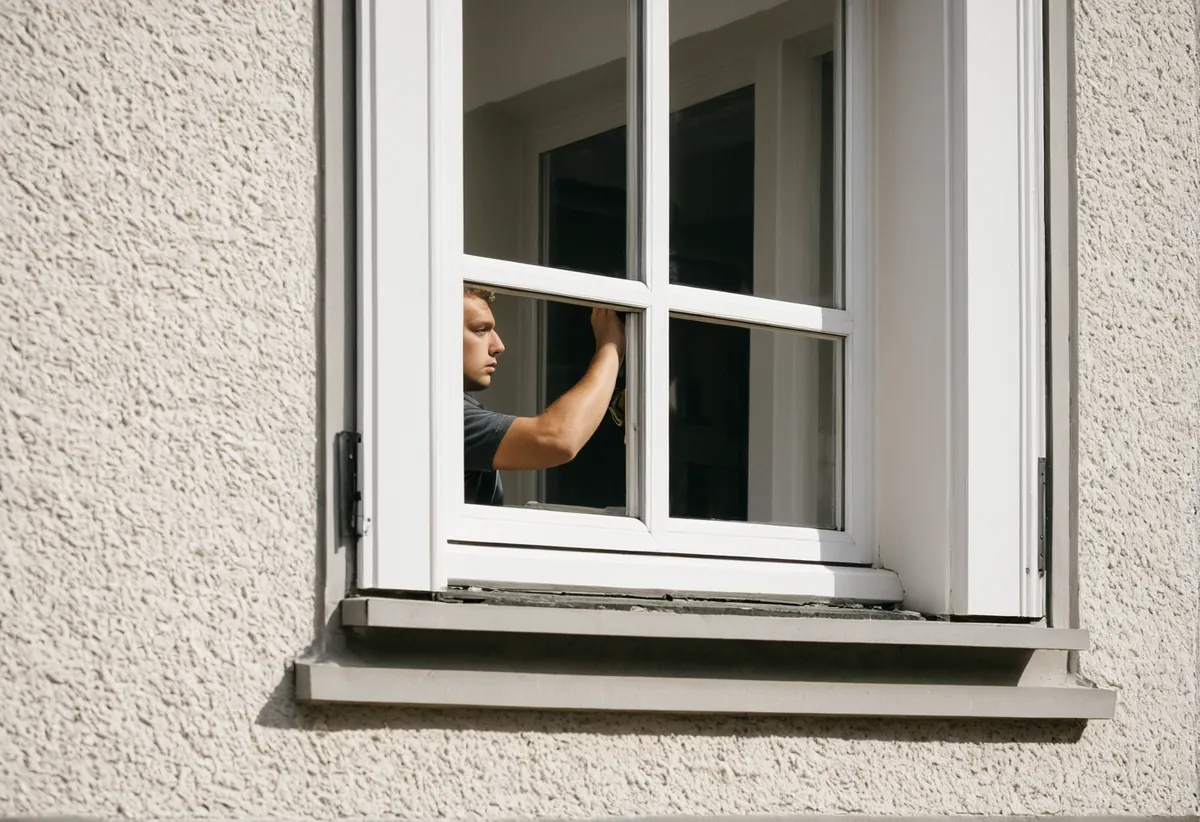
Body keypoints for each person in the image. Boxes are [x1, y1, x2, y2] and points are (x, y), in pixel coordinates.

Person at [463, 286, 626, 505]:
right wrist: (611, 346)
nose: (498, 345)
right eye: (481, 329)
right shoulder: (441, 415)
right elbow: (557, 438)